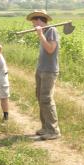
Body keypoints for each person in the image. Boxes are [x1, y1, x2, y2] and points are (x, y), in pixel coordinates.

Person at [26, 10, 61, 140]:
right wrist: (41, 33)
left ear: (39, 20)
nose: (33, 26)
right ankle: (46, 127)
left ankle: (53, 131)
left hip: (49, 71)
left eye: (33, 22)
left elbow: (50, 49)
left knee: (46, 98)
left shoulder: (51, 30)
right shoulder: (45, 32)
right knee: (40, 97)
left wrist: (40, 34)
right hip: (41, 69)